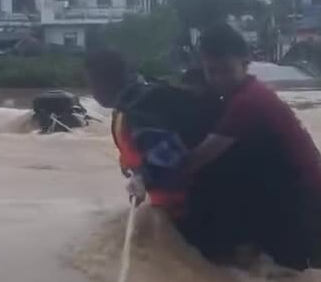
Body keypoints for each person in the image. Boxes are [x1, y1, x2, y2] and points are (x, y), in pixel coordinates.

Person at [187, 22, 321, 270]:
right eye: (211, 71)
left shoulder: (248, 102)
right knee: (312, 264)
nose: (218, 78)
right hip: (308, 184)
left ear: (246, 63)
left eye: (226, 70)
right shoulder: (247, 92)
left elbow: (201, 157)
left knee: (297, 274)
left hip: (304, 192)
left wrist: (153, 171)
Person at [86, 49, 220, 217]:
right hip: (178, 203)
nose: (92, 90)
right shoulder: (139, 97)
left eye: (90, 83)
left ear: (102, 83)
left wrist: (142, 178)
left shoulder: (140, 107)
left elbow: (171, 160)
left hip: (192, 206)